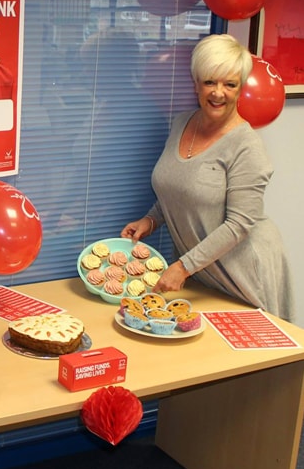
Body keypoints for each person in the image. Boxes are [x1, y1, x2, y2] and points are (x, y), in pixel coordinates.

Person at [121, 33, 293, 321]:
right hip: (202, 273)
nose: (218, 93)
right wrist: (150, 221)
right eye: (210, 81)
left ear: (240, 88)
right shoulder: (181, 123)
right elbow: (177, 189)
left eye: (230, 84)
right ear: (196, 83)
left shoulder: (247, 147)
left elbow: (239, 224)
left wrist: (183, 267)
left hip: (243, 275)